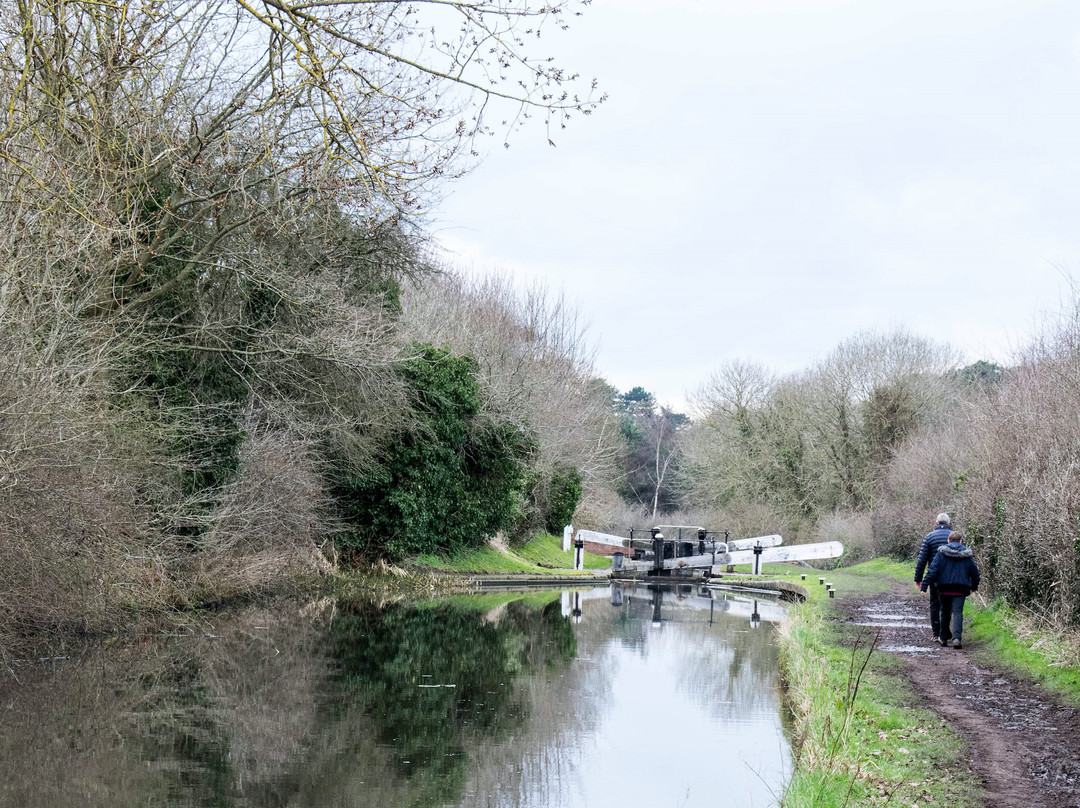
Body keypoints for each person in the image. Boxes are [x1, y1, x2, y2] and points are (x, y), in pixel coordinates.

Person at [920, 531, 980, 648]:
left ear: (948, 541)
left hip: (944, 588)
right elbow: (975, 573)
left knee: (945, 612)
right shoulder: (967, 555)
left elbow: (933, 570)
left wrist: (924, 585)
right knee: (957, 612)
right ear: (961, 541)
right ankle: (956, 638)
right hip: (961, 589)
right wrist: (974, 586)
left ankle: (943, 638)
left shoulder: (941, 553)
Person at [914, 513, 953, 641]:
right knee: (948, 605)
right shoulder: (955, 537)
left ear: (936, 523)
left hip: (935, 576)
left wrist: (918, 579)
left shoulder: (929, 537)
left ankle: (936, 634)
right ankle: (945, 631)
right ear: (949, 523)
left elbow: (922, 560)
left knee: (935, 604)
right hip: (952, 576)